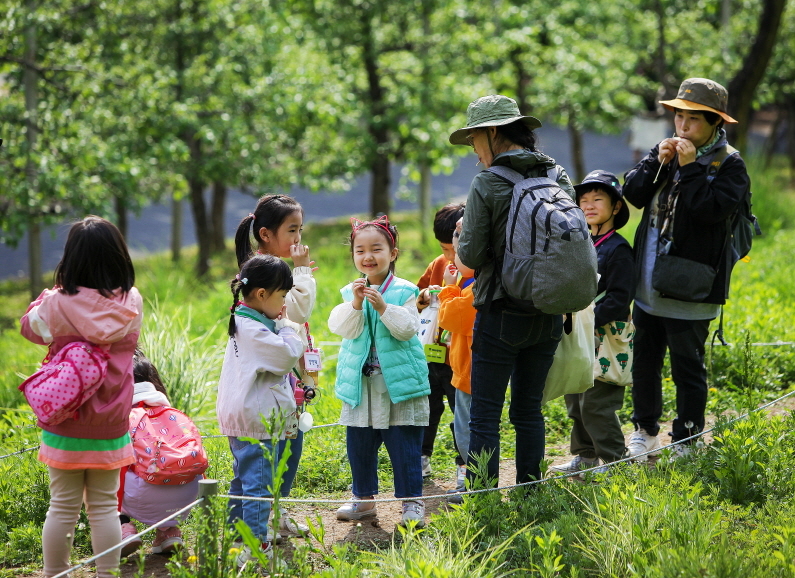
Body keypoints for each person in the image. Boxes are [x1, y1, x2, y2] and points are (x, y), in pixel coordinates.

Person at [622, 78, 750, 459]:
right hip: (647, 284)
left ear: (714, 122)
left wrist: (690, 166)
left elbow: (709, 212)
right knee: (643, 363)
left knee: (687, 368)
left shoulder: (730, 163)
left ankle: (687, 438)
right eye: (679, 116)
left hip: (691, 286)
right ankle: (645, 431)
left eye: (693, 119)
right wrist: (653, 161)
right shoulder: (666, 153)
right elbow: (633, 195)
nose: (683, 126)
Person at [451, 94, 574, 486]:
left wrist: (461, 241)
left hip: (501, 311)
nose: (474, 152)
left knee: (485, 412)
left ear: (491, 133)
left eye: (474, 141)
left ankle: (484, 498)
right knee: (528, 410)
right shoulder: (557, 176)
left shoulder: (487, 183)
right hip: (550, 310)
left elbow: (468, 257)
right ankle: (530, 490)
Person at [20, 216, 143, 578]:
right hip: (111, 424)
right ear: (119, 257)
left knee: (62, 507)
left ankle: (55, 573)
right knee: (104, 507)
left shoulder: (58, 304)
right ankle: (107, 573)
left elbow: (30, 329)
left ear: (71, 259)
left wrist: (47, 296)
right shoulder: (130, 301)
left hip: (66, 422)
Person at [329, 215, 431, 527]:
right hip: (361, 383)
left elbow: (408, 329)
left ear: (393, 253)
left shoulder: (404, 290)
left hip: (397, 383)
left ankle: (412, 501)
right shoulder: (351, 291)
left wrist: (384, 307)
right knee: (359, 442)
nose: (368, 256)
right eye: (360, 251)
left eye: (376, 249)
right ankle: (363, 500)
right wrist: (358, 304)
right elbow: (342, 327)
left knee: (404, 443)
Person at [234, 193, 315, 539]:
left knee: (288, 451)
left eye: (300, 229)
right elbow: (299, 311)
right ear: (266, 234)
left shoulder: (271, 269)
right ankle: (259, 527)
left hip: (291, 370)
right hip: (275, 375)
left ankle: (276, 516)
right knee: (270, 456)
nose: (298, 238)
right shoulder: (264, 275)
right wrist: (301, 273)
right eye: (291, 229)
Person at [217, 254, 305, 566]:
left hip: (244, 417)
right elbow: (286, 356)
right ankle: (255, 549)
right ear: (262, 294)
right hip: (257, 421)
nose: (283, 304)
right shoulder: (256, 329)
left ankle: (234, 539)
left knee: (243, 480)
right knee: (259, 485)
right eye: (282, 296)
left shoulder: (247, 320)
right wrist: (287, 327)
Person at [550, 171, 634, 476]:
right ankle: (585, 456)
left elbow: (620, 298)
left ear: (616, 208)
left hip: (605, 337)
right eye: (583, 200)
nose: (589, 205)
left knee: (597, 403)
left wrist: (588, 320)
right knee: (575, 397)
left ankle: (615, 462)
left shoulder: (619, 249)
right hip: (576, 335)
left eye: (598, 199)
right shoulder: (578, 243)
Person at [119, 350, 204, 556]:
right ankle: (169, 532)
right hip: (189, 493)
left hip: (144, 495)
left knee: (97, 470)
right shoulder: (173, 414)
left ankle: (122, 528)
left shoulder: (123, 417)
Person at [415, 202, 470, 480]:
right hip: (432, 351)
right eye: (443, 249)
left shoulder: (472, 267)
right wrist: (423, 298)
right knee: (428, 406)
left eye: (453, 248)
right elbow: (419, 293)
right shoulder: (438, 265)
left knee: (461, 410)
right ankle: (422, 457)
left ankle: (464, 463)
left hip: (459, 356)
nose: (449, 255)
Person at [437, 247, 477, 501]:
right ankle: (475, 481)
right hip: (470, 369)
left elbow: (449, 318)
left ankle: (474, 484)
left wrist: (448, 287)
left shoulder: (474, 288)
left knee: (467, 430)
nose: (453, 258)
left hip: (469, 371)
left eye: (460, 253)